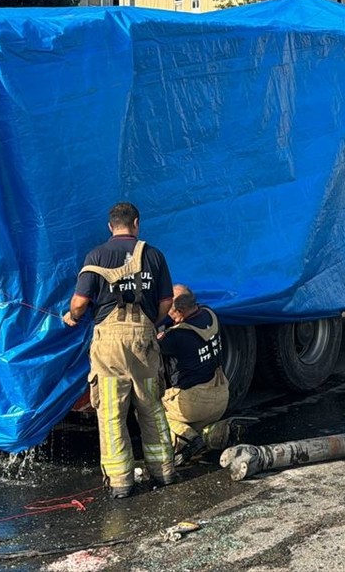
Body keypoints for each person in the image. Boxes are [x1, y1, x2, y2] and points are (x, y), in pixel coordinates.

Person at [63, 202, 176, 498]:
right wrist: (149, 324)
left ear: (110, 226)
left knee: (112, 411)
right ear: (136, 223)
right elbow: (167, 302)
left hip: (110, 342)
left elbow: (78, 303)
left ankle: (121, 481)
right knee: (150, 406)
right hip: (144, 338)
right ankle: (164, 472)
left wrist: (72, 317)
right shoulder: (153, 255)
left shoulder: (96, 256)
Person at [157, 284, 230, 465]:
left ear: (180, 311)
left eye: (170, 310)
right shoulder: (210, 314)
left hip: (194, 403)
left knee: (150, 411)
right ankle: (213, 432)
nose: (167, 314)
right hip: (221, 394)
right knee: (196, 423)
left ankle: (188, 439)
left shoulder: (176, 336)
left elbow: (147, 346)